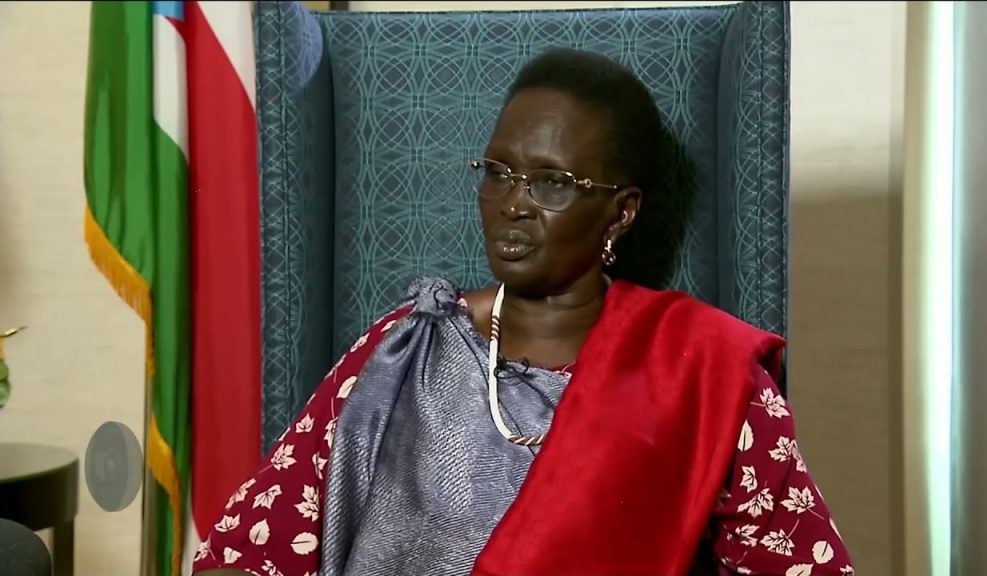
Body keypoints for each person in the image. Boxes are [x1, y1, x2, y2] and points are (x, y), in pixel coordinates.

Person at [192, 48, 855, 576]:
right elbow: (250, 550)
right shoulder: (409, 345)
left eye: (552, 183)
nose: (513, 202)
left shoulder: (702, 374)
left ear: (621, 213)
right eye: (498, 172)